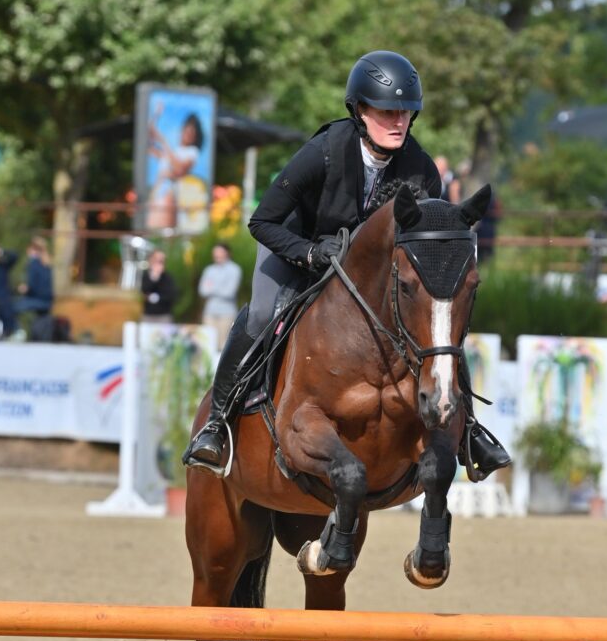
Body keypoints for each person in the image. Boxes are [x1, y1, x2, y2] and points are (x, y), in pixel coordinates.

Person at [184, 49, 511, 480]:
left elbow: (430, 248)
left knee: (436, 321)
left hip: (367, 275)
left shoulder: (422, 170)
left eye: (406, 113)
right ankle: (218, 425)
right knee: (264, 311)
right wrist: (308, 252)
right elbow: (262, 221)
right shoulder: (323, 151)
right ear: (359, 110)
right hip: (296, 247)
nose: (398, 122)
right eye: (387, 111)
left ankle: (467, 430)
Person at [146, 111, 204, 231]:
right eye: (186, 131)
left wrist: (163, 141)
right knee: (153, 230)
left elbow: (179, 169)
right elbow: (149, 144)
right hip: (158, 193)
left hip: (171, 197)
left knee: (163, 231)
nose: (187, 135)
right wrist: (156, 115)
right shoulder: (174, 151)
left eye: (192, 133)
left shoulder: (192, 152)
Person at [197, 241, 242, 349]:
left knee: (223, 345)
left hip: (226, 313)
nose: (217, 255)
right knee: (208, 344)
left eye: (219, 252)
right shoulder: (209, 270)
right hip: (210, 312)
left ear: (227, 253)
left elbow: (229, 292)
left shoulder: (235, 269)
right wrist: (220, 287)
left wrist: (212, 287)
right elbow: (202, 290)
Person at [13, 236, 54, 323]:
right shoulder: (46, 264)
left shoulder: (33, 264)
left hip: (38, 300)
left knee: (13, 307)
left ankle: (16, 332)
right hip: (48, 300)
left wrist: (23, 289)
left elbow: (31, 286)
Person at [140, 248, 177, 321]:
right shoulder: (145, 276)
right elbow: (144, 292)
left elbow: (171, 295)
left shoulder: (168, 277)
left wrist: (156, 298)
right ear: (150, 260)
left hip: (164, 315)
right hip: (148, 314)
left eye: (161, 261)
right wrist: (154, 278)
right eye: (156, 260)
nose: (159, 264)